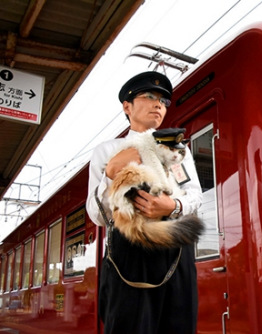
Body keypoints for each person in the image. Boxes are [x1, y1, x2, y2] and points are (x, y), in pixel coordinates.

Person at [86, 71, 203, 334]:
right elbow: (95, 215)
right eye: (149, 96)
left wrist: (173, 206)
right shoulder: (107, 151)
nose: (158, 104)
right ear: (127, 106)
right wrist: (112, 172)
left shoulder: (177, 151)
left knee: (180, 327)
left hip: (177, 249)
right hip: (128, 251)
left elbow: (195, 195)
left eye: (163, 100)